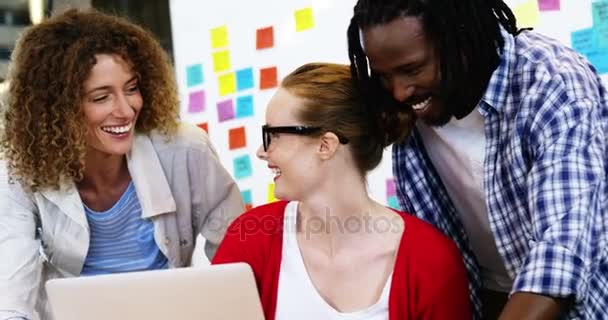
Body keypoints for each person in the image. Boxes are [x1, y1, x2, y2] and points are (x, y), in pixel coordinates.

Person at [347, 0, 608, 319]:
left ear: (459, 41)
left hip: (577, 302)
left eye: (412, 70)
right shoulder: (410, 107)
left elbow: (559, 253)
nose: (399, 92)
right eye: (384, 76)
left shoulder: (552, 83)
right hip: (485, 297)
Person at [0, 9, 244, 320]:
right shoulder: (18, 171)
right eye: (101, 97)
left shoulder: (185, 149)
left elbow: (238, 256)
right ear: (58, 109)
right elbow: (10, 291)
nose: (126, 110)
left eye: (131, 89)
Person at [212, 62, 471, 319]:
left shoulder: (432, 261)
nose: (262, 151)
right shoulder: (249, 238)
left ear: (326, 145)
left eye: (274, 135)